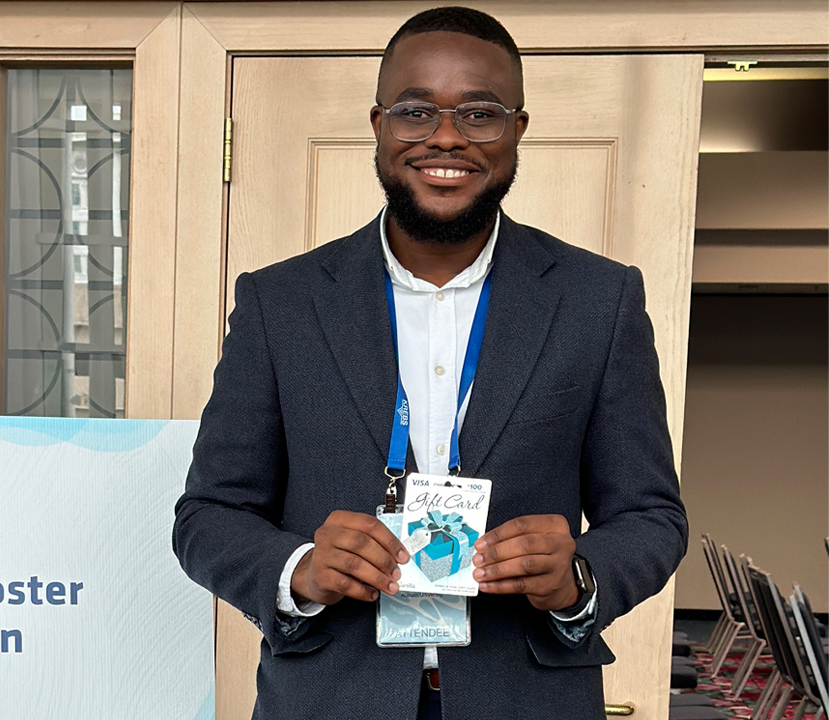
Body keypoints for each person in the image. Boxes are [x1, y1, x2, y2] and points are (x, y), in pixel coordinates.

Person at [171, 7, 688, 720]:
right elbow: (208, 515)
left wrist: (579, 575)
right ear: (379, 123)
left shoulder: (598, 300)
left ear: (518, 130)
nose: (446, 138)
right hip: (328, 699)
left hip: (528, 698)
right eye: (416, 112)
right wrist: (300, 570)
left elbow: (651, 516)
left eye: (480, 114)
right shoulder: (280, 303)